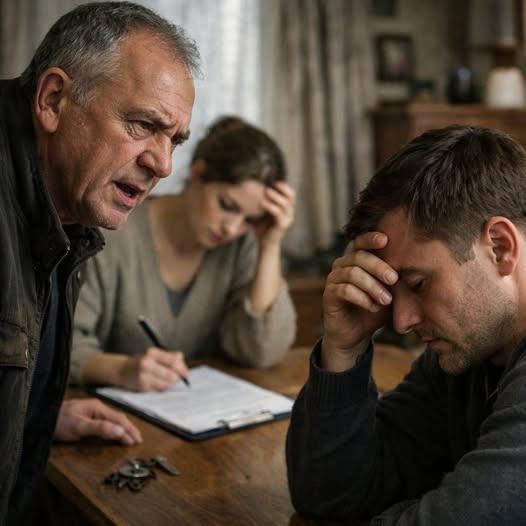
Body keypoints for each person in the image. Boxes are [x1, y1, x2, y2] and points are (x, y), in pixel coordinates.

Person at [0, 1, 199, 523]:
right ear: (53, 100)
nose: (163, 165)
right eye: (143, 124)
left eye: (174, 140)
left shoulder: (72, 207)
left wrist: (34, 417)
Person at [286, 125, 526, 525]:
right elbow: (328, 496)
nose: (400, 321)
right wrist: (344, 348)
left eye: (417, 284)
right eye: (390, 290)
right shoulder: (465, 354)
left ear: (500, 247)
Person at [69, 116, 297, 392]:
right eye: (227, 205)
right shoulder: (112, 232)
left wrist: (270, 244)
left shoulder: (242, 245)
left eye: (250, 220)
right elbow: (62, 346)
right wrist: (122, 370)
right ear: (197, 174)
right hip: (106, 409)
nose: (232, 228)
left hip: (202, 410)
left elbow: (260, 351)